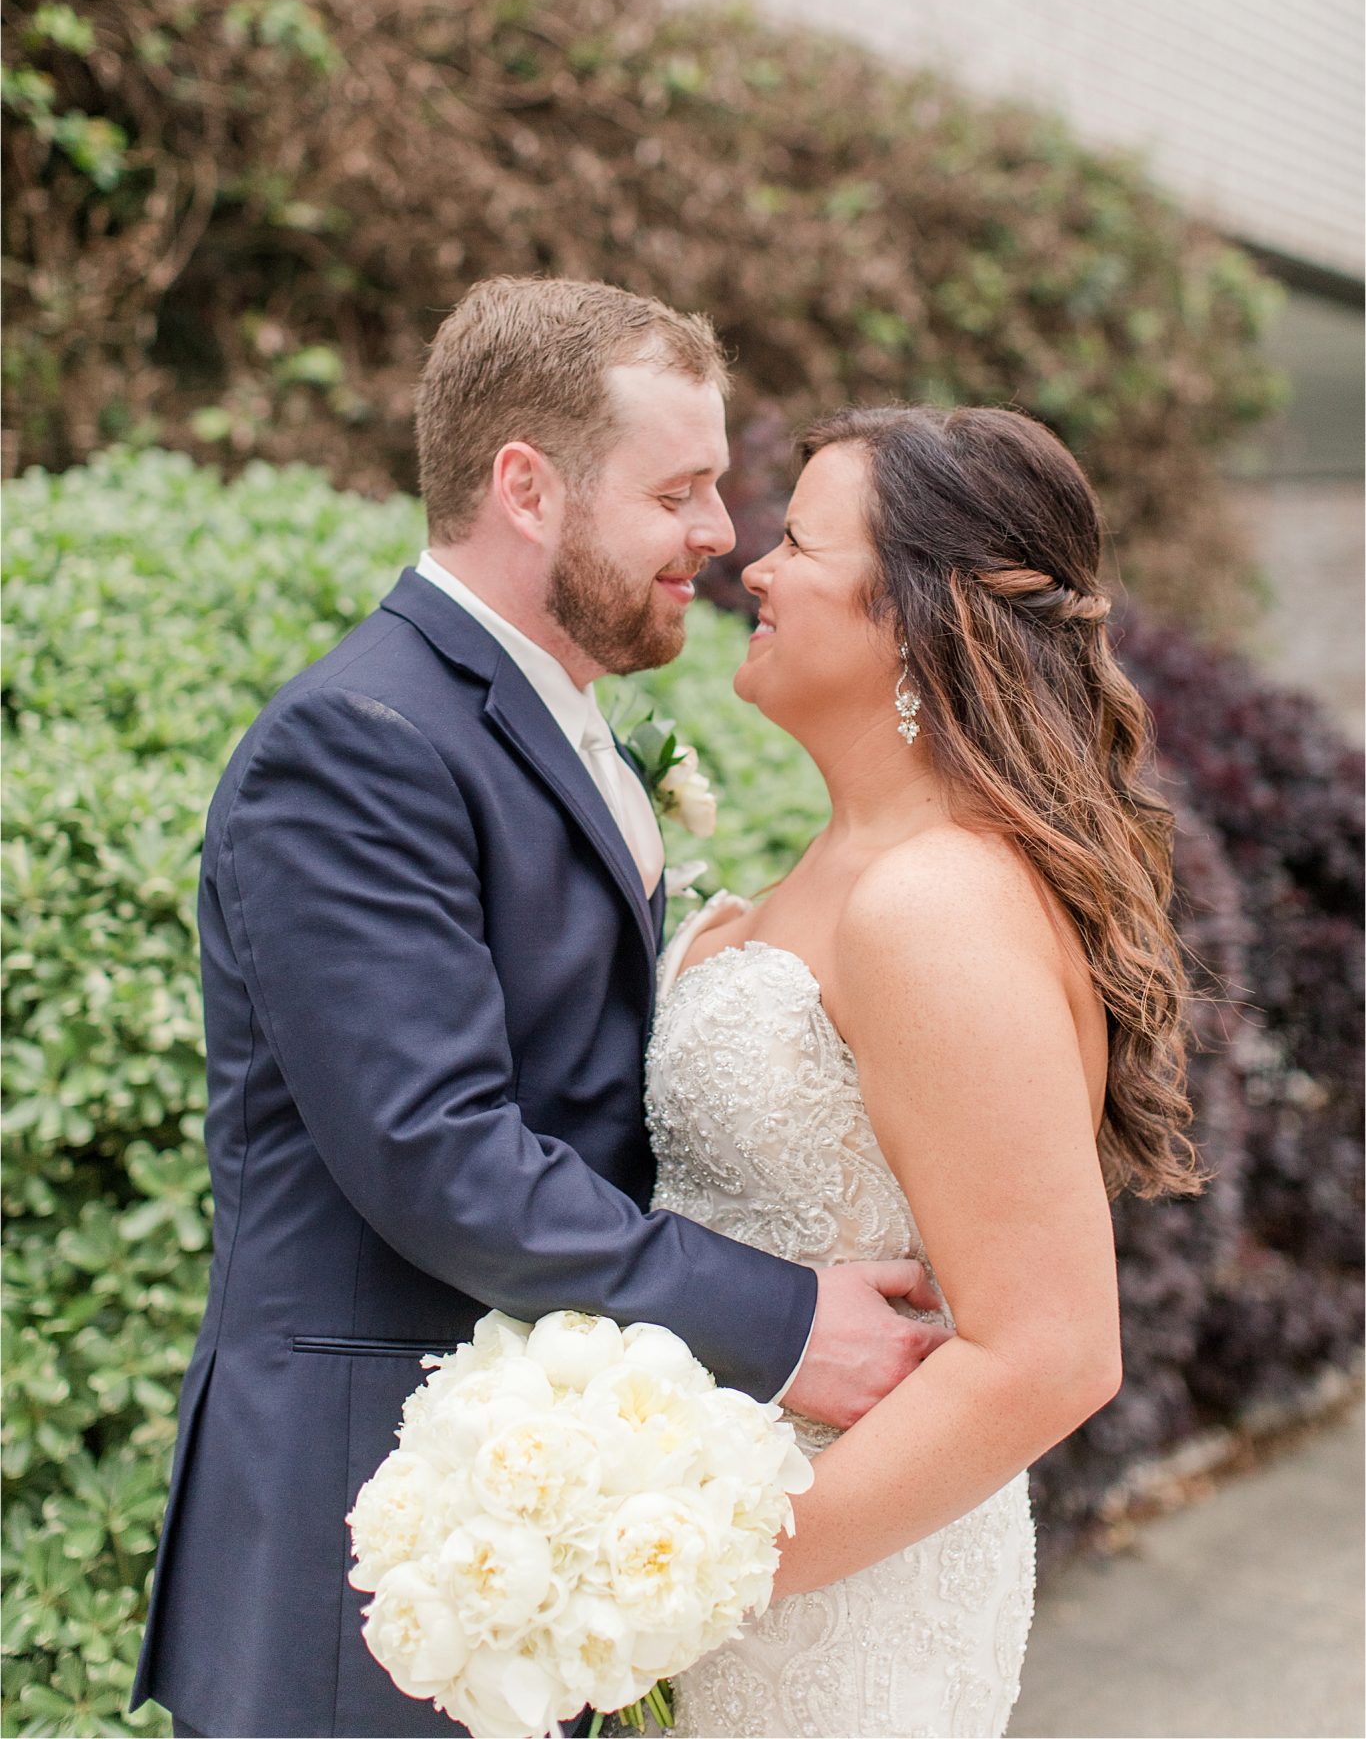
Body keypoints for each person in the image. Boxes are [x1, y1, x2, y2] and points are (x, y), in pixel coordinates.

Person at [130, 280, 945, 1739]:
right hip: (366, 1528)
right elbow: (437, 1154)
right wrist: (773, 1319)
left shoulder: (548, 718)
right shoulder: (356, 745)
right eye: (680, 491)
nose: (720, 537)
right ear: (526, 485)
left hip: (538, 1513)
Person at [647, 402, 1204, 1738]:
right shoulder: (837, 874)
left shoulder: (935, 905)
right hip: (724, 1577)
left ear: (912, 614)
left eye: (795, 540)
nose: (752, 570)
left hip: (821, 1606)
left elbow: (1050, 1351)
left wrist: (706, 1580)